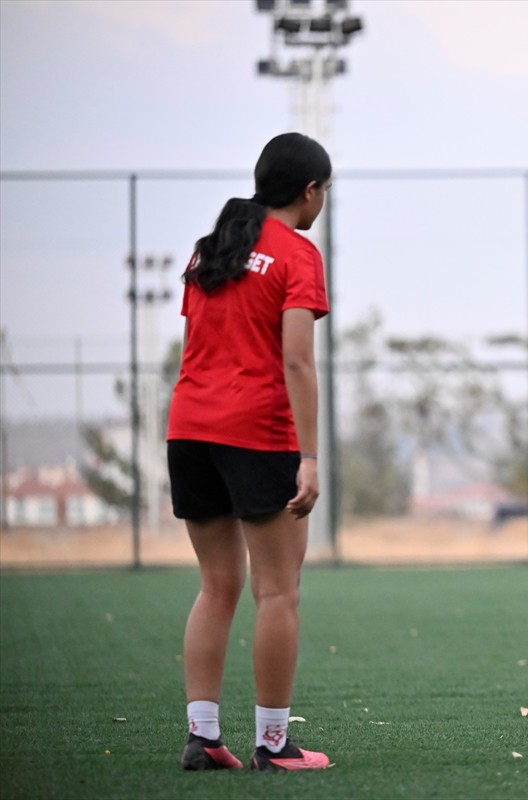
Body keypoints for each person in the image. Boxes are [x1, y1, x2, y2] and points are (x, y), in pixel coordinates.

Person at [168, 132, 333, 770]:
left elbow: (198, 342)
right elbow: (295, 358)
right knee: (278, 591)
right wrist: (310, 456)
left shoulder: (211, 248)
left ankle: (204, 737)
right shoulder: (297, 253)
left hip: (189, 428)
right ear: (310, 190)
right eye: (325, 193)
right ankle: (274, 745)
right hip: (256, 431)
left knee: (215, 587)